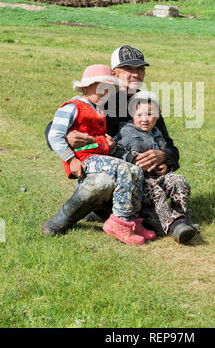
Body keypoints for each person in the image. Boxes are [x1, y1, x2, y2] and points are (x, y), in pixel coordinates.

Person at [44, 45, 180, 235]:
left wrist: (164, 157)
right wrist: (67, 136)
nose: (136, 74)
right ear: (114, 73)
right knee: (102, 183)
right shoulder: (102, 98)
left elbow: (171, 147)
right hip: (107, 173)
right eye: (129, 69)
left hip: (143, 180)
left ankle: (112, 215)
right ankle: (64, 219)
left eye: (140, 69)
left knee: (163, 198)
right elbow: (54, 127)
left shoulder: (146, 105)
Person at [42, 64, 154, 245]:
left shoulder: (99, 109)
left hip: (98, 158)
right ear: (85, 87)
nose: (105, 92)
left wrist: (108, 145)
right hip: (84, 160)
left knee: (135, 171)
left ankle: (133, 221)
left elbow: (96, 138)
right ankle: (120, 223)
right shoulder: (73, 107)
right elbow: (55, 134)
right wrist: (70, 159)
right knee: (125, 170)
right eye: (100, 87)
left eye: (109, 88)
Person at [114, 90, 197, 244]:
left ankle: (183, 218)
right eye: (139, 115)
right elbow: (116, 152)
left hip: (159, 177)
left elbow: (168, 152)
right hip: (141, 183)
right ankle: (171, 224)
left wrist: (166, 166)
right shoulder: (126, 132)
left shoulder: (158, 133)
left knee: (179, 181)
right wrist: (132, 159)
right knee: (156, 192)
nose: (144, 119)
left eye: (149, 114)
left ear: (158, 114)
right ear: (132, 115)